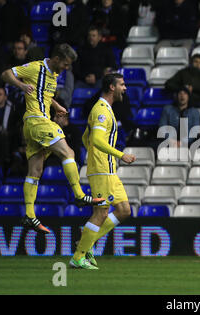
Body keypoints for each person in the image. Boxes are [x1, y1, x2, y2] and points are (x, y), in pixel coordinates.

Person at [0, 43, 105, 235]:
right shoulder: (36, 67)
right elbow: (6, 74)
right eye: (65, 64)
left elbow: (44, 95)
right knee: (69, 152)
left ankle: (29, 215)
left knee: (35, 170)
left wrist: (55, 105)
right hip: (37, 121)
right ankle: (79, 195)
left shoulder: (54, 74)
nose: (67, 68)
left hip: (33, 124)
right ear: (56, 59)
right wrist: (22, 84)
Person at [70, 73, 136, 270]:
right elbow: (97, 140)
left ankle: (86, 243)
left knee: (124, 210)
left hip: (108, 169)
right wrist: (120, 154)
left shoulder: (104, 109)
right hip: (101, 169)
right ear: (112, 87)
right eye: (122, 85)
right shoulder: (101, 111)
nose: (125, 88)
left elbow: (86, 138)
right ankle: (79, 256)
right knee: (101, 212)